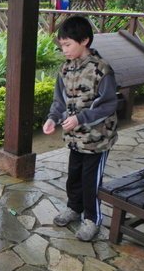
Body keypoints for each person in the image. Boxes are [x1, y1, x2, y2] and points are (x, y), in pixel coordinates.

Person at [43, 16, 118, 242]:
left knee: (90, 181)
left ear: (84, 40)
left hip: (97, 140)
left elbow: (109, 104)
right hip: (75, 138)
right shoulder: (65, 69)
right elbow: (59, 100)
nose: (63, 50)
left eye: (68, 45)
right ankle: (73, 209)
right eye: (61, 45)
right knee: (73, 176)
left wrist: (80, 118)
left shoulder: (102, 69)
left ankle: (92, 219)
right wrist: (52, 119)